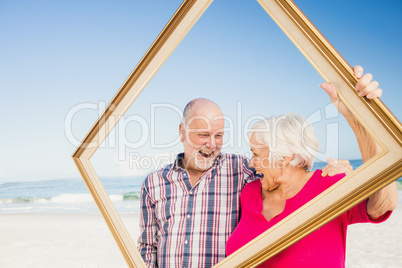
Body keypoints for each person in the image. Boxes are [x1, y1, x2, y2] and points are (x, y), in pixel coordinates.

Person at [137, 67, 367, 267]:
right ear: (182, 132)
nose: (212, 143)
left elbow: (285, 170)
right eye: (203, 135)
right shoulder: (154, 182)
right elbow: (148, 244)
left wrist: (343, 171)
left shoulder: (241, 170)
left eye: (218, 135)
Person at [225, 66, 398, 267]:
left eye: (257, 154)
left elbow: (382, 204)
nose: (251, 162)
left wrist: (359, 122)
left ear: (284, 158)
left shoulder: (328, 185)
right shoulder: (250, 193)